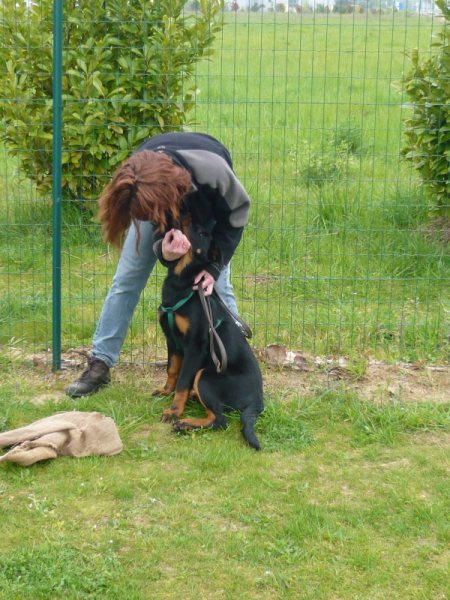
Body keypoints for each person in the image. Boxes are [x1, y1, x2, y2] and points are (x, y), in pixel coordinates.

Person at [66, 131, 251, 398]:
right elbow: (156, 225)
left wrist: (213, 266)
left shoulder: (212, 171)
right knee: (126, 281)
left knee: (217, 287)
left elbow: (237, 213)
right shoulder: (139, 180)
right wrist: (164, 248)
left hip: (209, 210)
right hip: (156, 201)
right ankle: (99, 364)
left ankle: (235, 369)